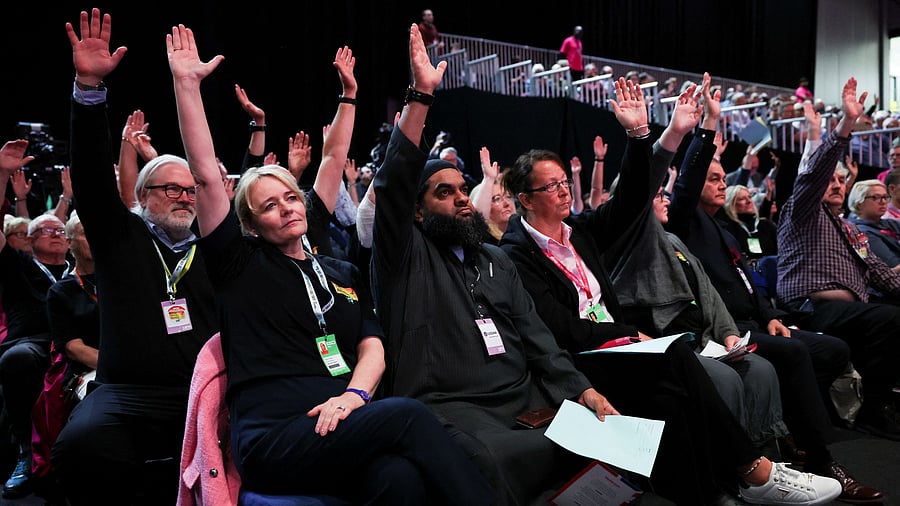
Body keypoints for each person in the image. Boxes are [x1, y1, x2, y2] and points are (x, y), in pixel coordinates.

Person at [373, 23, 841, 506]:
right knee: (674, 368)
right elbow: (392, 189)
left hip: (531, 391)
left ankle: (728, 486)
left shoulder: (494, 260)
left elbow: (535, 336)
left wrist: (581, 391)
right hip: (459, 405)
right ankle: (751, 472)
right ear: (417, 209)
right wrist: (421, 97)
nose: (461, 201)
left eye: (460, 190)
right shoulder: (413, 255)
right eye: (442, 193)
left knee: (665, 398)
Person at [168, 20, 494, 504]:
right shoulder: (239, 263)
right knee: (409, 416)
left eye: (291, 197)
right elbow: (206, 177)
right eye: (270, 204)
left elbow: (372, 347)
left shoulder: (337, 272)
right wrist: (186, 85)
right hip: (274, 435)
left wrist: (354, 396)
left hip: (341, 418)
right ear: (251, 224)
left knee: (397, 480)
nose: (288, 207)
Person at [51, 10, 220, 504]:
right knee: (81, 445)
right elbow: (90, 178)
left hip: (204, 388)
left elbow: (224, 189)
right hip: (128, 391)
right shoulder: (119, 234)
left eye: (191, 191)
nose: (185, 198)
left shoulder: (214, 247)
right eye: (172, 189)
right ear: (143, 195)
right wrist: (88, 90)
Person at [776, 77, 900, 443]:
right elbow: (812, 174)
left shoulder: (851, 230)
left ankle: (871, 407)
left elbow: (887, 278)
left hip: (852, 312)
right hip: (809, 308)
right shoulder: (802, 212)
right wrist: (844, 125)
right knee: (891, 320)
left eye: (841, 181)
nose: (835, 184)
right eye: (830, 180)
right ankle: (873, 412)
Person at [0, 140, 69, 500]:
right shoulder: (20, 266)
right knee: (17, 359)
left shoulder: (82, 272)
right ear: (28, 238)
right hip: (36, 342)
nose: (56, 234)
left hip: (78, 343)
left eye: (61, 230)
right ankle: (26, 454)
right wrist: (1, 176)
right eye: (46, 230)